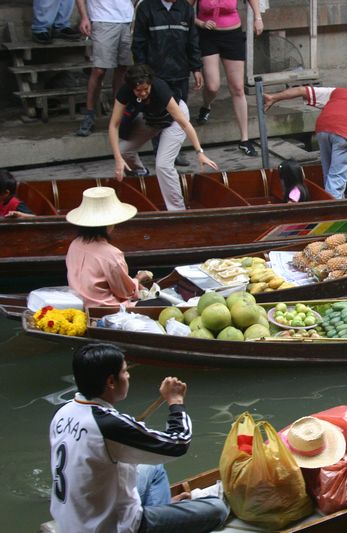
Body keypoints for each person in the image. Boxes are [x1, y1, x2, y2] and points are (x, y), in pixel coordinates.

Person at [49, 342, 229, 532]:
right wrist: (176, 402)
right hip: (109, 527)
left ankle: (162, 512)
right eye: (125, 372)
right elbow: (179, 442)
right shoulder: (107, 425)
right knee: (218, 509)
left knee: (155, 468)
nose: (128, 376)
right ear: (111, 382)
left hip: (72, 520)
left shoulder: (63, 412)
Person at [109, 64, 218, 210]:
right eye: (138, 91)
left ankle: (178, 211)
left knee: (163, 165)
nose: (142, 93)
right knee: (123, 152)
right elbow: (113, 125)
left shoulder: (160, 88)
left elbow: (184, 124)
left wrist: (200, 153)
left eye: (145, 89)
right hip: (151, 118)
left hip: (175, 119)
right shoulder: (124, 91)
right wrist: (117, 159)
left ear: (150, 84)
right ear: (131, 88)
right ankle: (142, 174)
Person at [263, 82, 347, 199]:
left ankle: (333, 201)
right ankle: (333, 213)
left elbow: (302, 90)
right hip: (346, 134)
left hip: (323, 129)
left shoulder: (337, 92)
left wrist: (274, 97)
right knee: (336, 179)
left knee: (328, 174)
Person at [132, 0, 204, 168]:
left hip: (180, 72)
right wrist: (143, 73)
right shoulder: (146, 8)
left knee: (178, 115)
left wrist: (196, 68)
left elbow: (192, 41)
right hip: (155, 74)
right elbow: (139, 43)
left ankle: (173, 152)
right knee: (157, 116)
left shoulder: (185, 8)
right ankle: (159, 152)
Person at [191, 0, 263, 157]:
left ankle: (244, 139)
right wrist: (200, 23)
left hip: (232, 34)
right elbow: (185, 11)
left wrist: (258, 17)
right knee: (212, 86)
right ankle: (206, 105)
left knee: (237, 88)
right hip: (207, 35)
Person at [65, 186, 155, 307]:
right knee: (161, 302)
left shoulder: (75, 244)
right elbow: (125, 292)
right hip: (105, 309)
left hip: (80, 303)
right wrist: (138, 279)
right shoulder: (111, 254)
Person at [75, 0, 135, 137]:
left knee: (122, 69)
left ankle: (118, 115)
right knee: (99, 70)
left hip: (127, 20)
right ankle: (89, 115)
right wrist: (84, 17)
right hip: (102, 19)